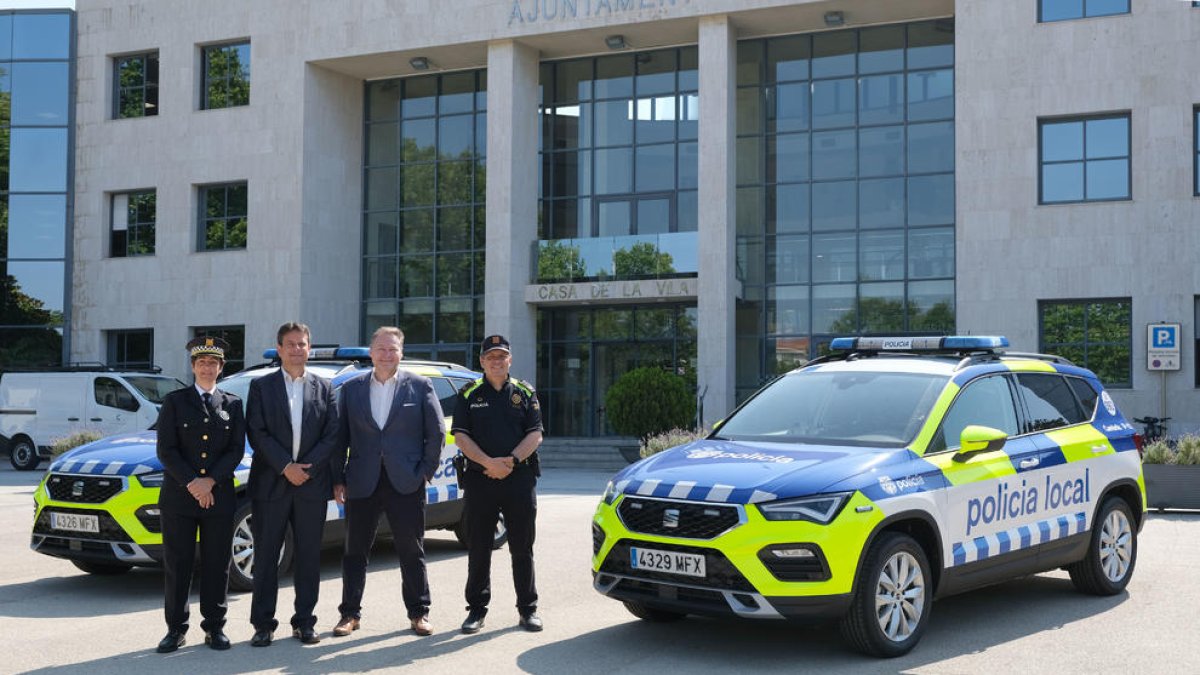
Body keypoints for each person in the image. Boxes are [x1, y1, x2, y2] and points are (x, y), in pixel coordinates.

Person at [330, 326, 444, 637]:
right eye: (381, 349)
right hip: (362, 482)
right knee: (355, 551)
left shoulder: (420, 387)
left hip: (405, 482)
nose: (386, 354)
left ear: (401, 352)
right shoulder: (352, 389)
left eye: (393, 349)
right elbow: (339, 439)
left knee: (411, 550)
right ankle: (349, 614)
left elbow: (436, 434)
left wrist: (424, 471)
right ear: (371, 352)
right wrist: (338, 478)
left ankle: (419, 613)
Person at [246, 322, 339, 646]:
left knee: (309, 556)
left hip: (311, 486)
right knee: (267, 556)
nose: (297, 349)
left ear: (309, 348)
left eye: (302, 344)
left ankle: (304, 622)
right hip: (271, 484)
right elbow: (257, 432)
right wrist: (286, 466)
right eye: (291, 344)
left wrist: (306, 470)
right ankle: (263, 624)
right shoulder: (262, 387)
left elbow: (332, 434)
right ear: (280, 348)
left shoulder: (324, 388)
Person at [154, 336, 246, 653]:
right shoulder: (175, 402)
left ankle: (214, 628)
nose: (207, 368)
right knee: (177, 565)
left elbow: (235, 450)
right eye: (201, 362)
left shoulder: (233, 404)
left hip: (218, 498)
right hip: (180, 498)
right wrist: (193, 482)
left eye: (213, 363)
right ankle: (175, 629)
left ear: (221, 368)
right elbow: (166, 450)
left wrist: (210, 482)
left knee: (216, 564)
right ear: (193, 366)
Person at [453, 334, 545, 634]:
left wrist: (512, 462)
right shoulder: (469, 393)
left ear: (509, 360)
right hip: (481, 480)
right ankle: (476, 611)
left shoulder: (523, 391)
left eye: (501, 356)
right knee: (479, 547)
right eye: (490, 356)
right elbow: (461, 437)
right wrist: (489, 463)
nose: (496, 361)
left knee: (522, 547)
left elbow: (535, 434)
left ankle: (528, 609)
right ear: (481, 361)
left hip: (519, 479)